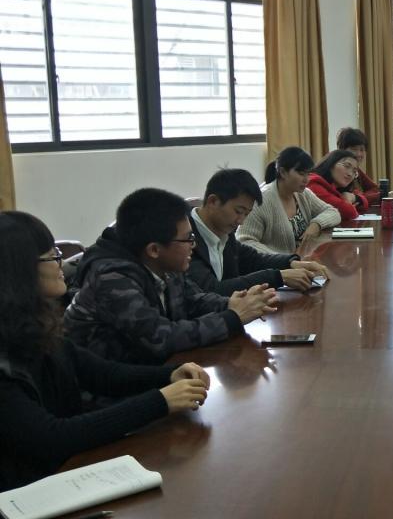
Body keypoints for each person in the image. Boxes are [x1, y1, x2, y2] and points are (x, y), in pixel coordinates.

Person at [0, 211, 213, 491]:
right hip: (25, 493)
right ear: (20, 270)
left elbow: (103, 374)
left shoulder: (35, 325)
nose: (60, 263)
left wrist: (169, 375)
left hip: (61, 472)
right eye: (52, 256)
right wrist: (160, 401)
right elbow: (52, 437)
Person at [65, 189, 277, 364]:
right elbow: (160, 337)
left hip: (154, 374)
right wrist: (232, 318)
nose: (193, 245)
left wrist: (232, 303)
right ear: (154, 249)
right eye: (188, 238)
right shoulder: (111, 278)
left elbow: (193, 300)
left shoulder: (165, 265)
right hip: (110, 393)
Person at [188, 168, 329, 296]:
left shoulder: (223, 229)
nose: (241, 221)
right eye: (238, 211)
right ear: (213, 201)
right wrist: (279, 277)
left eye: (246, 214)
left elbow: (251, 259)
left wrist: (290, 263)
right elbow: (211, 290)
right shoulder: (185, 238)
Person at [238, 146, 342, 254]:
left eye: (308, 174)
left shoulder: (303, 194)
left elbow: (333, 212)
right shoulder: (262, 201)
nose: (306, 180)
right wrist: (281, 258)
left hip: (302, 259)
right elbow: (244, 241)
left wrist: (316, 225)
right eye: (301, 174)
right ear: (283, 172)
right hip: (278, 263)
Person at [308, 150, 366, 221]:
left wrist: (353, 197)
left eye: (354, 171)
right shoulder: (313, 184)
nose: (350, 174)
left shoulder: (337, 186)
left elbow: (364, 200)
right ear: (331, 164)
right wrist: (347, 203)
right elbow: (349, 212)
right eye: (347, 166)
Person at [336, 127, 381, 208]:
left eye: (362, 150)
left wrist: (356, 198)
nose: (359, 154)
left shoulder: (356, 170)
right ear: (342, 149)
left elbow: (376, 190)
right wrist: (359, 198)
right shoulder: (337, 169)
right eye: (354, 149)